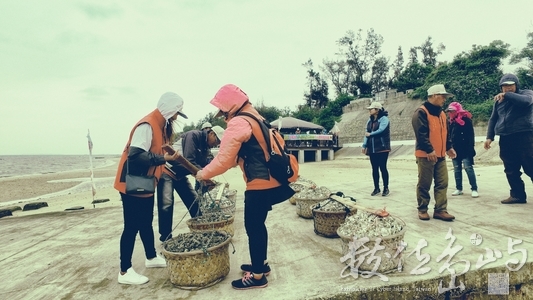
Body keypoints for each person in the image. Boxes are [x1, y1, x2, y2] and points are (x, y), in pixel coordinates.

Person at [195, 84, 295, 290]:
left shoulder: (239, 122)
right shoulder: (256, 117)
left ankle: (258, 277)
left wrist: (202, 173)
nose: (223, 116)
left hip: (260, 184)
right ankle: (262, 264)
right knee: (259, 225)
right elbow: (234, 157)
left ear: (230, 106)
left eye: (223, 111)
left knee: (253, 227)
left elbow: (223, 159)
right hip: (273, 180)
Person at [113, 92, 186, 285]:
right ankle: (124, 270)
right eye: (177, 113)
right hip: (131, 182)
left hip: (145, 182)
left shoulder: (160, 126)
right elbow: (135, 155)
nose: (177, 117)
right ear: (170, 111)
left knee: (146, 221)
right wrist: (164, 159)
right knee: (132, 226)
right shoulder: (147, 125)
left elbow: (155, 156)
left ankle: (151, 257)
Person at [156, 125, 225, 242]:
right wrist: (203, 175)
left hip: (180, 175)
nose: (216, 144)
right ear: (211, 133)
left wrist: (211, 172)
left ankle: (202, 230)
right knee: (166, 204)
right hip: (167, 171)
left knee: (193, 201)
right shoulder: (193, 136)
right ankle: (166, 237)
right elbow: (189, 160)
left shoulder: (206, 148)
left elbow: (205, 163)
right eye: (217, 140)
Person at [484, 73, 533, 204]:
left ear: (516, 85)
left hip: (524, 136)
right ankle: (517, 195)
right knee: (510, 168)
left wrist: (507, 95)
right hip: (506, 138)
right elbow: (494, 118)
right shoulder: (499, 101)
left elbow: (526, 102)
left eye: (510, 85)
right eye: (504, 86)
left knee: (530, 166)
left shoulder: (526, 93)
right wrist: (489, 136)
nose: (507, 88)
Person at [412, 84, 457, 221]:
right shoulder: (421, 112)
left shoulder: (442, 114)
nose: (444, 99)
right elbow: (421, 134)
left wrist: (449, 147)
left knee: (442, 182)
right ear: (433, 96)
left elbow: (445, 133)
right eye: (442, 96)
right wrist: (429, 150)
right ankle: (423, 209)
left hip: (441, 155)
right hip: (426, 155)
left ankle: (440, 210)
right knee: (425, 183)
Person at [446, 102, 479, 198]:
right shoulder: (451, 122)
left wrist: (471, 149)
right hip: (455, 149)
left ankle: (474, 189)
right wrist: (449, 148)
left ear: (457, 110)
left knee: (468, 168)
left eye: (452, 111)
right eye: (449, 111)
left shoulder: (466, 120)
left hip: (466, 149)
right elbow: (449, 136)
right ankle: (459, 188)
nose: (450, 113)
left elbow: (470, 136)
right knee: (457, 169)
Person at [361, 101, 391, 197]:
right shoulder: (369, 121)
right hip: (372, 148)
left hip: (382, 148)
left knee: (383, 167)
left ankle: (386, 187)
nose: (369, 110)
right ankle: (376, 188)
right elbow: (366, 133)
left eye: (371, 109)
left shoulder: (384, 119)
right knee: (374, 169)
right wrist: (364, 145)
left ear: (377, 110)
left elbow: (381, 130)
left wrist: (371, 134)